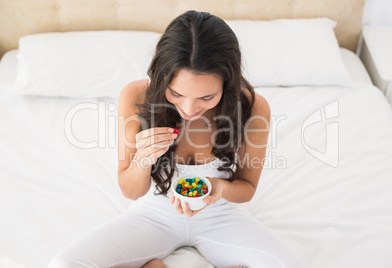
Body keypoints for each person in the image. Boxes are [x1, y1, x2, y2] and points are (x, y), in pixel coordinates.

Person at [49, 10, 308, 268]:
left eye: (206, 98)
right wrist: (143, 158)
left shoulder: (252, 107)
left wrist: (221, 188)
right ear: (162, 76)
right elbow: (130, 191)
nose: (189, 109)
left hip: (222, 216)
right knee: (63, 264)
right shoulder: (136, 96)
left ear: (227, 83)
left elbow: (247, 189)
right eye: (176, 93)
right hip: (154, 216)